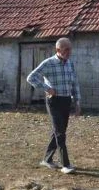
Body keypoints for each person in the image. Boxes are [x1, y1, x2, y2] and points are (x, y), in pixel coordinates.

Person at [27, 37, 81, 174]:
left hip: (66, 100)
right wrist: (47, 88)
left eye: (70, 49)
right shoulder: (48, 63)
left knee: (59, 130)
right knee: (60, 132)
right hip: (54, 101)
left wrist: (77, 101)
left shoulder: (70, 64)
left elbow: (74, 83)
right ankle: (65, 164)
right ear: (58, 49)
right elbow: (31, 77)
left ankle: (47, 159)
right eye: (66, 49)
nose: (69, 52)